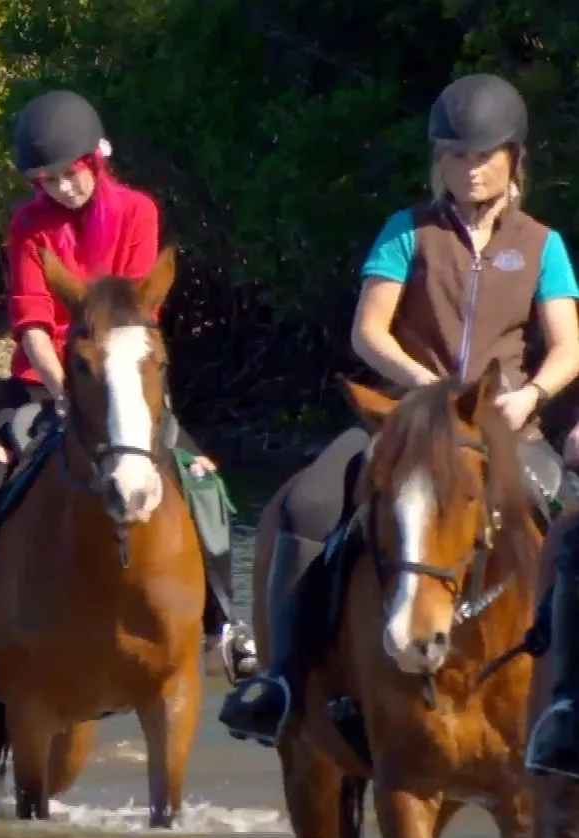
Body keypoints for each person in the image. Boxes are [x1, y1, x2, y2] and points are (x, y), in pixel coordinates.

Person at [219, 72, 579, 749]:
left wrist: (532, 394)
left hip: (504, 427)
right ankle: (285, 680)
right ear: (437, 161)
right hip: (405, 418)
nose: (470, 170)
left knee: (565, 521)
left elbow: (568, 345)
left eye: (483, 156)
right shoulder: (404, 231)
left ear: (513, 160)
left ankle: (565, 704)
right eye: (456, 156)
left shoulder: (543, 244)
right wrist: (423, 386)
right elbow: (368, 331)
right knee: (311, 506)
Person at [0, 89, 258, 686]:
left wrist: (105, 387)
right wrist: (61, 388)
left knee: (200, 478)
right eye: (46, 180)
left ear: (94, 160)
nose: (62, 189)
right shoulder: (28, 225)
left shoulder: (136, 212)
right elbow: (32, 321)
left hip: (124, 379)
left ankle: (223, 625)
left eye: (69, 174)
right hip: (47, 383)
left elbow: (127, 314)